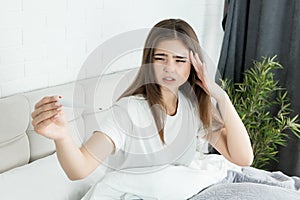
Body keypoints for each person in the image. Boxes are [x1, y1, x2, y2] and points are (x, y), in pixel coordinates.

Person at [31, 19, 253, 199]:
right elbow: (78, 169)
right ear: (148, 61)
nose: (169, 68)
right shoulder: (129, 110)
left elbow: (243, 158)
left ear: (193, 66)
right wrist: (62, 136)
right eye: (160, 58)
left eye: (179, 60)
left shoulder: (191, 107)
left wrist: (220, 96)